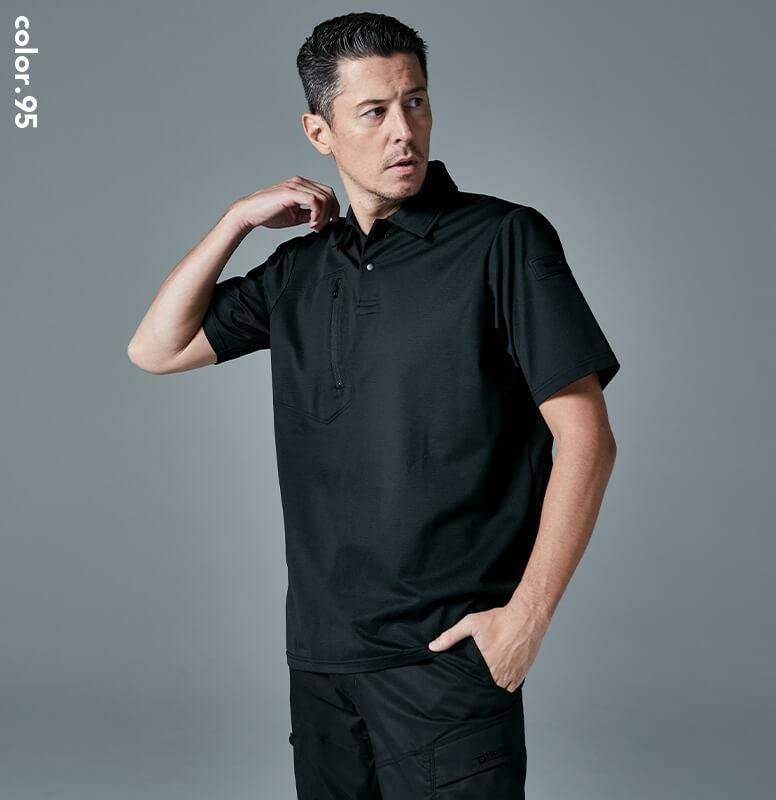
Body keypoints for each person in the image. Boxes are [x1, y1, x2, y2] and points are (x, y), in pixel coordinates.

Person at [128, 11, 621, 798]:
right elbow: (156, 348)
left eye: (415, 102)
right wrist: (236, 221)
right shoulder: (300, 271)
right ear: (318, 132)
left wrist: (525, 619)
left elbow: (588, 439)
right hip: (322, 665)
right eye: (374, 111)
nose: (404, 131)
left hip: (446, 663)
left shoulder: (503, 240)